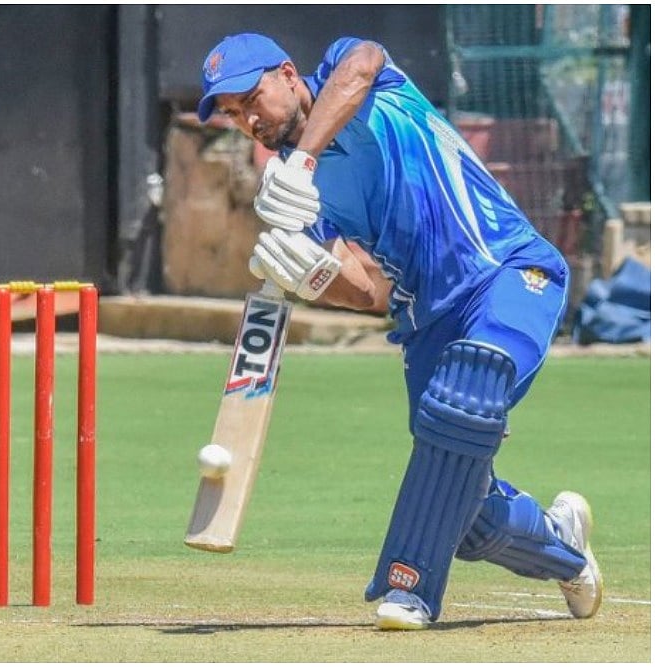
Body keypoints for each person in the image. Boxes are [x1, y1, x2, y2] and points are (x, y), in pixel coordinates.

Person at [197, 33, 603, 630]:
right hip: (425, 320)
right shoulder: (288, 195)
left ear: (287, 73)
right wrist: (312, 274)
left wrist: (303, 161)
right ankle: (564, 546)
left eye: (251, 99)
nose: (249, 121)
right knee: (468, 515)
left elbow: (363, 64)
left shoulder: (353, 79)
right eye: (234, 114)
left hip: (508, 269)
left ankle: (408, 587)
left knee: (467, 389)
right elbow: (369, 291)